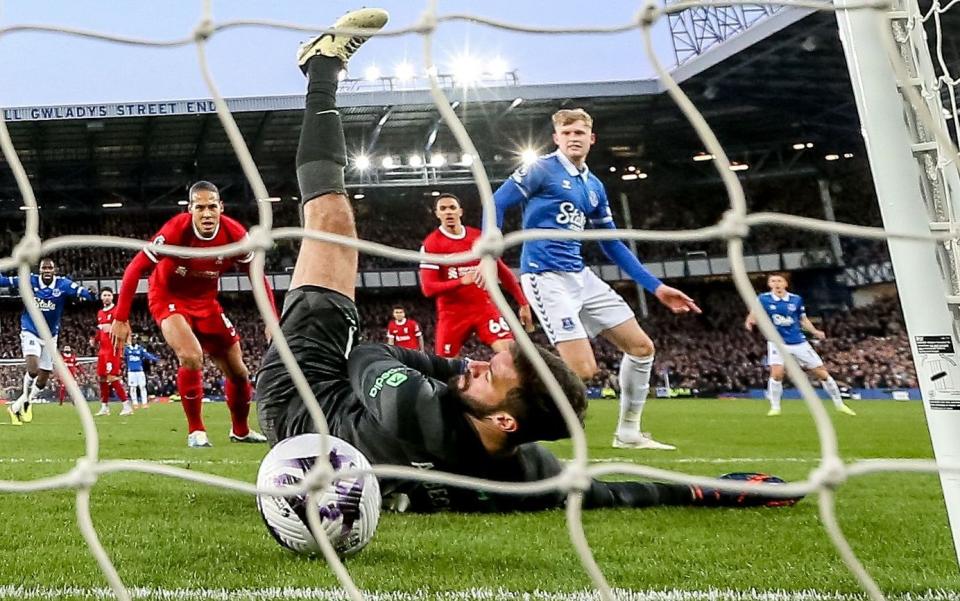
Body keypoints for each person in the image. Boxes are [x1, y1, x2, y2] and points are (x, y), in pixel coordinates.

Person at [255, 9, 801, 514]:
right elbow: (619, 493)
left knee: (331, 217)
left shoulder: (414, 405)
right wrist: (718, 490)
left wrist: (442, 377)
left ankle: (320, 66)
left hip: (301, 394)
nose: (475, 363)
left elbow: (368, 355)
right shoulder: (526, 470)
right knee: (341, 234)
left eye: (489, 371)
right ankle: (324, 74)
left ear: (505, 419)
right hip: (359, 412)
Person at [493, 108, 701, 451]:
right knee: (582, 370)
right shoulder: (541, 168)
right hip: (546, 277)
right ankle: (505, 415)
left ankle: (628, 432)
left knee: (641, 348)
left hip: (580, 276)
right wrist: (493, 241)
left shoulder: (594, 187)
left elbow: (611, 242)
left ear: (592, 139)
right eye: (567, 132)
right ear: (556, 138)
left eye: (580, 133)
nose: (574, 138)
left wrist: (657, 286)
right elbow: (498, 200)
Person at [110, 180, 275, 447]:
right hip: (168, 298)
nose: (207, 214)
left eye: (212, 207)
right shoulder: (176, 230)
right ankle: (196, 431)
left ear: (221, 207)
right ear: (191, 209)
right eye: (200, 208)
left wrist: (271, 319)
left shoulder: (236, 235)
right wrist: (120, 317)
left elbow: (258, 277)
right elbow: (134, 268)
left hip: (207, 303)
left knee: (239, 371)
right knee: (191, 355)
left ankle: (241, 431)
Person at [420, 193, 533, 358]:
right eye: (443, 209)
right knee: (444, 366)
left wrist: (523, 302)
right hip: (452, 313)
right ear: (437, 214)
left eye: (452, 207)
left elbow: (502, 271)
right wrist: (461, 281)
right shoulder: (431, 244)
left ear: (460, 211)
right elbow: (428, 288)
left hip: (483, 308)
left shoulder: (478, 237)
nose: (448, 212)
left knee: (512, 356)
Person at [744, 273, 857, 417]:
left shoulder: (795, 299)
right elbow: (754, 313)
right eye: (773, 281)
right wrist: (750, 321)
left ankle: (840, 404)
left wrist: (815, 331)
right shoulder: (763, 299)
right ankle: (775, 407)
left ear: (785, 284)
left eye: (779, 280)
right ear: (769, 284)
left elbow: (803, 320)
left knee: (822, 374)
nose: (776, 283)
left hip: (798, 342)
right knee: (777, 374)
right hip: (776, 342)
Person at [0, 258, 95, 425]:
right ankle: (25, 402)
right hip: (30, 331)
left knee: (43, 380)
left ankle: (20, 405)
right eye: (44, 268)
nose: (47, 271)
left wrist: (91, 294)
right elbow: (5, 281)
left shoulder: (63, 284)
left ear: (54, 270)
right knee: (33, 369)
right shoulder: (30, 280)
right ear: (40, 270)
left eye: (50, 268)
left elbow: (81, 292)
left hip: (50, 336)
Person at [92, 287, 132, 417]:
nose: (107, 297)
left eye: (109, 295)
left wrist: (127, 341)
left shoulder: (117, 311)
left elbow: (126, 325)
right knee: (102, 378)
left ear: (112, 297)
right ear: (101, 297)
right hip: (103, 350)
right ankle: (104, 407)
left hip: (113, 348)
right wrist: (95, 339)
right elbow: (101, 330)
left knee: (112, 377)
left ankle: (126, 405)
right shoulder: (100, 313)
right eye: (104, 295)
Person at [125, 334, 159, 409]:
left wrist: (155, 359)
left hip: (140, 371)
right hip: (131, 371)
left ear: (136, 340)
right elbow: (123, 358)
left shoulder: (140, 348)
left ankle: (144, 403)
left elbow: (147, 355)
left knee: (142, 386)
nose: (134, 340)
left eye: (135, 339)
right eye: (132, 339)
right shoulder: (127, 349)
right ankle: (135, 403)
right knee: (133, 388)